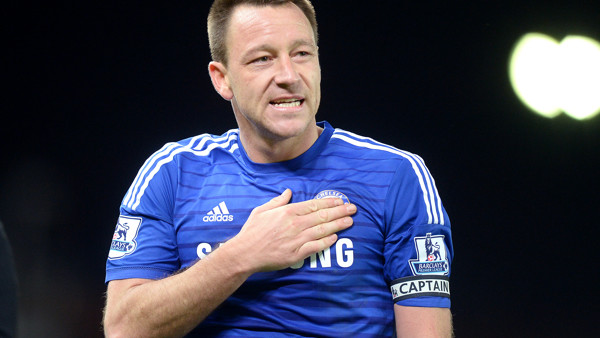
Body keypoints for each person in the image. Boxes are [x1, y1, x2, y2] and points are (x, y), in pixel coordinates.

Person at [103, 0, 454, 336]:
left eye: (302, 54)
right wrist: (242, 255)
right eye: (262, 59)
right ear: (222, 78)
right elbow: (124, 329)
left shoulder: (395, 175)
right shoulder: (173, 173)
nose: (288, 75)